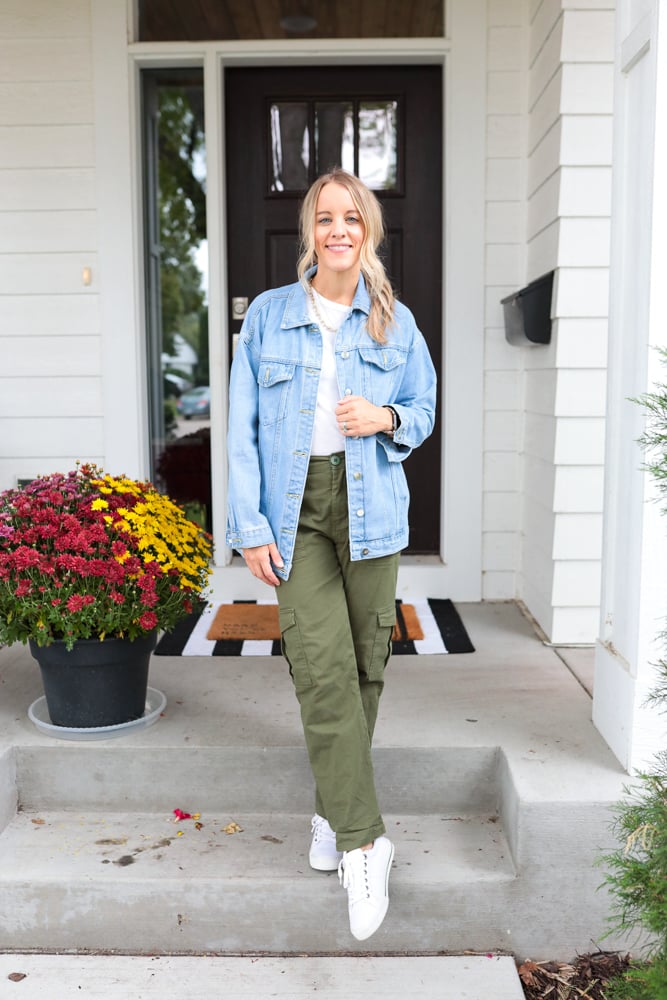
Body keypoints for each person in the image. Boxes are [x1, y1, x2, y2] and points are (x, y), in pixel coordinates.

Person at [226, 168, 437, 941]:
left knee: (364, 667)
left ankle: (328, 811)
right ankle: (361, 840)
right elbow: (241, 427)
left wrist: (381, 414)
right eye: (324, 218)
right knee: (319, 666)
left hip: (372, 510)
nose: (338, 230)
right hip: (293, 514)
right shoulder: (270, 318)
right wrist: (248, 523)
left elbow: (421, 410)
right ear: (308, 232)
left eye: (351, 217)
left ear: (367, 230)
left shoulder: (394, 322)